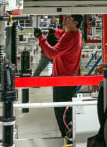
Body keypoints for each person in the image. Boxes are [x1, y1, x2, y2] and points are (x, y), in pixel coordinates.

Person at [34, 14, 83, 143]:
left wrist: (40, 38)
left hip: (63, 80)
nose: (65, 20)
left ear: (75, 23)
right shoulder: (75, 34)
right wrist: (54, 31)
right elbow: (63, 34)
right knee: (67, 108)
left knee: (61, 110)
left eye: (69, 19)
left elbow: (52, 53)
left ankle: (67, 137)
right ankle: (69, 133)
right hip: (68, 78)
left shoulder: (70, 38)